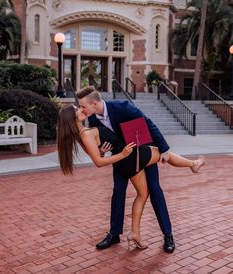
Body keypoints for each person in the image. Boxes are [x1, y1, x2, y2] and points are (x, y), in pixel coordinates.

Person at [57, 104, 205, 250]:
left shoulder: (83, 131)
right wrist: (122, 154)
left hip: (127, 158)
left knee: (143, 193)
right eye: (76, 109)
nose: (81, 108)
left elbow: (97, 153)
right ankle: (193, 164)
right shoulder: (85, 133)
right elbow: (98, 162)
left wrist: (101, 150)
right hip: (129, 157)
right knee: (163, 154)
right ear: (71, 117)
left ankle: (136, 233)